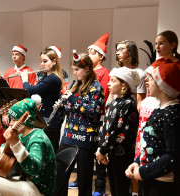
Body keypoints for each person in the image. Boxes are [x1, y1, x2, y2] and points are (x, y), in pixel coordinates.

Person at [0, 96, 56, 196]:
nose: (10, 124)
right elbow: (7, 146)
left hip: (40, 188)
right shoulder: (21, 135)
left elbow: (33, 168)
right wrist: (1, 149)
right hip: (26, 180)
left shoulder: (38, 138)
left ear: (24, 120)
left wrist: (15, 144)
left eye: (14, 120)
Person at [125, 60, 180, 196]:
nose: (147, 82)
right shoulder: (158, 110)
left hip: (162, 184)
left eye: (152, 79)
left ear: (163, 85)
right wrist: (137, 163)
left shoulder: (172, 114)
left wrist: (143, 171)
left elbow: (172, 156)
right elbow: (148, 143)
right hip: (149, 177)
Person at [58, 50, 104, 196]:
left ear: (87, 69)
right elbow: (70, 109)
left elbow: (93, 110)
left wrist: (72, 99)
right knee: (60, 172)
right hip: (69, 135)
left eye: (77, 70)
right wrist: (61, 106)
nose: (75, 73)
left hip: (86, 138)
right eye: (74, 70)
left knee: (84, 180)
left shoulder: (97, 87)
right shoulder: (75, 86)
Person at [96, 66, 139, 196]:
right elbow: (105, 128)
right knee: (114, 187)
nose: (108, 83)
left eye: (113, 80)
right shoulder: (113, 103)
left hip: (122, 155)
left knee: (121, 188)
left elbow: (120, 132)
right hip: (110, 153)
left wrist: (104, 150)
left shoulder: (129, 103)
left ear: (123, 85)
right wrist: (101, 149)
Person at [20, 47, 64, 153]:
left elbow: (31, 91)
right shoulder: (46, 77)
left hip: (50, 121)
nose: (42, 64)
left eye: (45, 61)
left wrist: (25, 80)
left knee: (49, 152)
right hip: (45, 119)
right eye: (41, 61)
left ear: (54, 62)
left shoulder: (53, 79)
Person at [88, 33, 110, 196]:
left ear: (100, 56)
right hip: (86, 117)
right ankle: (84, 179)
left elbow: (102, 95)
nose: (89, 55)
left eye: (92, 52)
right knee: (86, 151)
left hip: (98, 117)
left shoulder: (105, 73)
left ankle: (100, 185)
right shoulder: (87, 72)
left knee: (99, 151)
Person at [2, 45, 37, 126]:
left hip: (23, 109)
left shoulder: (30, 72)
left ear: (23, 56)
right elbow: (4, 95)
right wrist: (4, 114)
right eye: (13, 54)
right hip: (10, 108)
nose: (14, 56)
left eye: (17, 54)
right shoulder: (7, 72)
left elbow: (30, 94)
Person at [115, 40, 146, 111]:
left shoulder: (140, 74)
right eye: (117, 50)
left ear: (130, 51)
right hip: (115, 111)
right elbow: (113, 96)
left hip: (129, 113)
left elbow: (140, 101)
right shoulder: (117, 72)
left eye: (121, 49)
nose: (117, 53)